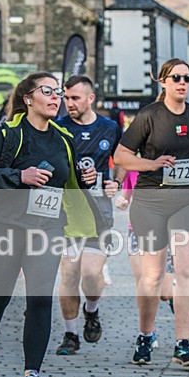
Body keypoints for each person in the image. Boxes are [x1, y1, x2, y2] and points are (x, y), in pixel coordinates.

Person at [0, 72, 99, 377]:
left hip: (48, 228)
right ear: (28, 98)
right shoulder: (7, 134)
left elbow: (69, 183)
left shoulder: (63, 138)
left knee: (40, 300)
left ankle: (31, 375)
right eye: (48, 91)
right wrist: (18, 176)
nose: (56, 97)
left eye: (59, 92)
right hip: (4, 227)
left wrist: (87, 179)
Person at [113, 58, 189, 368]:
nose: (182, 82)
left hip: (186, 200)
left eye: (186, 78)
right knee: (154, 274)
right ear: (163, 82)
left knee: (186, 271)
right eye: (176, 78)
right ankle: (146, 334)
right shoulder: (148, 117)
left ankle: (183, 343)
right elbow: (121, 156)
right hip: (150, 201)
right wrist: (152, 164)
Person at [54, 75, 122, 355]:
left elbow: (122, 159)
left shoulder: (110, 127)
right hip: (67, 212)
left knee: (92, 273)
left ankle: (91, 309)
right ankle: (70, 335)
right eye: (66, 98)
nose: (69, 104)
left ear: (90, 99)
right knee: (69, 273)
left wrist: (114, 181)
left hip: (99, 210)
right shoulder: (58, 128)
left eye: (75, 98)